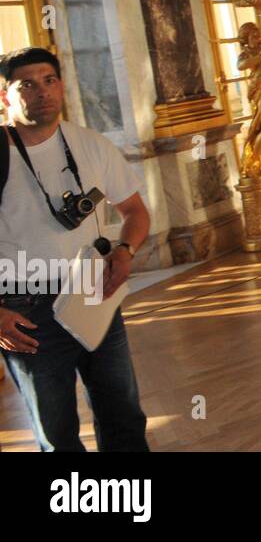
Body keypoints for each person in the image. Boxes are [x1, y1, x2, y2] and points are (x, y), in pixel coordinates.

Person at [0, 47, 150, 451]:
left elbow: (135, 213)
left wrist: (125, 251)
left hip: (92, 290)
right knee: (57, 432)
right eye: (26, 84)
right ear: (5, 96)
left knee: (123, 414)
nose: (41, 92)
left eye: (49, 80)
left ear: (62, 86)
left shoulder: (91, 145)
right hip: (26, 309)